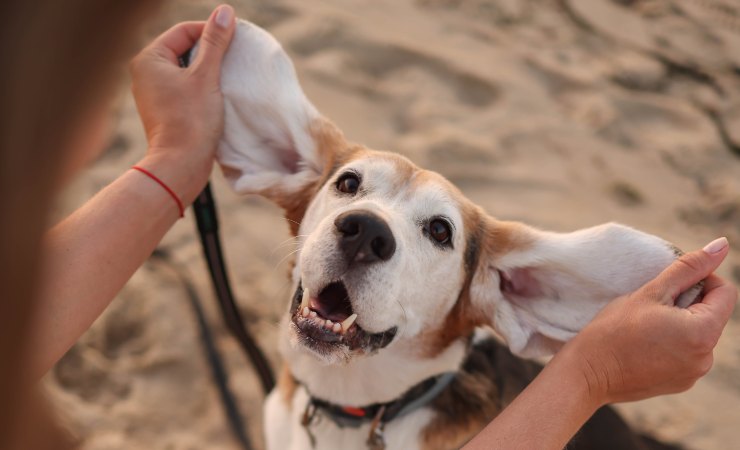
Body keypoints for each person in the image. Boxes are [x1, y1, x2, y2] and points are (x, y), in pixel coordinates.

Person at [0, 2, 735, 450]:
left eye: (437, 234)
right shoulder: (289, 396)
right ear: (301, 199)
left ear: (492, 294)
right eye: (350, 190)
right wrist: (591, 375)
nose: (366, 226)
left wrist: (173, 158)